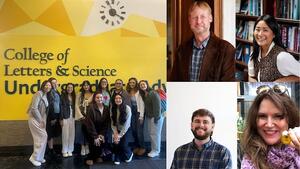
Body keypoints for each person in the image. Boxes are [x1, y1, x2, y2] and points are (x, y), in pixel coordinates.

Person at [169, 1, 235, 81]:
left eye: (203, 17)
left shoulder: (227, 50)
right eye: (194, 17)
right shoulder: (181, 50)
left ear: (210, 18)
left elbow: (227, 87)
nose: (198, 21)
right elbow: (174, 82)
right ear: (189, 20)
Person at [241, 85, 300, 169]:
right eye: (262, 116)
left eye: (278, 116)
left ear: (290, 119)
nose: (269, 124)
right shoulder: (249, 160)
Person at [248, 15, 300, 82]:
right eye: (257, 29)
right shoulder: (254, 53)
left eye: (265, 30)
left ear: (274, 34)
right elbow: (251, 76)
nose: (260, 34)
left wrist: (279, 81)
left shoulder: (282, 57)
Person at [27, 80, 52, 166]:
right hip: (34, 119)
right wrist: (40, 120)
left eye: (49, 85)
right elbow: (34, 108)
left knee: (42, 137)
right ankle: (34, 158)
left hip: (41, 119)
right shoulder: (38, 93)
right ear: (43, 86)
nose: (48, 87)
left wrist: (43, 120)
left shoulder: (45, 95)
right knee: (41, 137)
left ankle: (40, 157)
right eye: (46, 85)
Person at [84, 91, 111, 166]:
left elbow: (106, 123)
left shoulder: (106, 108)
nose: (99, 99)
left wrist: (102, 134)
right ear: (94, 99)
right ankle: (90, 158)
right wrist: (95, 136)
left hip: (101, 129)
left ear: (103, 98)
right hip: (90, 129)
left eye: (101, 97)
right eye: (97, 97)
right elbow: (90, 123)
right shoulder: (91, 108)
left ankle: (98, 156)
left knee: (101, 140)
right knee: (94, 142)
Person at [139, 80, 163, 158]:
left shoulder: (153, 93)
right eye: (141, 85)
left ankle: (156, 151)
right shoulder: (145, 94)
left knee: (155, 134)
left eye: (144, 84)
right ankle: (154, 149)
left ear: (147, 85)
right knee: (152, 134)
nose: (142, 85)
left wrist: (156, 118)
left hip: (156, 117)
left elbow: (157, 106)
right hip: (150, 117)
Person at [111, 93, 133, 165]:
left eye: (119, 98)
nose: (118, 100)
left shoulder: (127, 108)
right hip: (116, 129)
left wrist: (120, 135)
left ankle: (130, 153)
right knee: (116, 143)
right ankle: (117, 156)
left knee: (123, 145)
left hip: (126, 130)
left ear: (122, 99)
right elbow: (112, 122)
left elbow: (127, 124)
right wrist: (115, 132)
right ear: (114, 100)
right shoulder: (112, 108)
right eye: (116, 98)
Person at [126, 77, 146, 156]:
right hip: (132, 112)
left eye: (133, 82)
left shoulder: (139, 92)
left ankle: (143, 147)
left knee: (139, 131)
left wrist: (141, 116)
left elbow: (142, 105)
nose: (132, 84)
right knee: (134, 130)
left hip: (139, 112)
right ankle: (137, 146)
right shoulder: (128, 91)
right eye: (130, 82)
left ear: (136, 83)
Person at [75, 80, 93, 156]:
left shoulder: (93, 94)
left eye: (87, 85)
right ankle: (82, 146)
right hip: (81, 116)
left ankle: (87, 146)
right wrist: (81, 116)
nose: (86, 86)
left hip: (90, 117)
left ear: (90, 86)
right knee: (80, 131)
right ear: (82, 86)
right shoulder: (79, 94)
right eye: (84, 85)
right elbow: (76, 105)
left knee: (89, 132)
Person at [46, 77, 62, 157]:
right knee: (50, 133)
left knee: (52, 133)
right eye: (52, 83)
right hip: (51, 116)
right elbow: (50, 105)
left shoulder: (56, 91)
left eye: (55, 82)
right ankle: (50, 150)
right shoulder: (49, 92)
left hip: (56, 115)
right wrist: (53, 118)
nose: (54, 84)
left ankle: (51, 149)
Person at [60, 83, 75, 157]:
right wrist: (61, 118)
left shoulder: (74, 96)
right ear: (66, 88)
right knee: (65, 134)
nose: (70, 89)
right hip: (65, 116)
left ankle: (70, 150)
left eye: (71, 87)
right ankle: (64, 150)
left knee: (72, 134)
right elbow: (61, 108)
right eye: (68, 87)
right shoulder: (62, 96)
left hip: (73, 117)